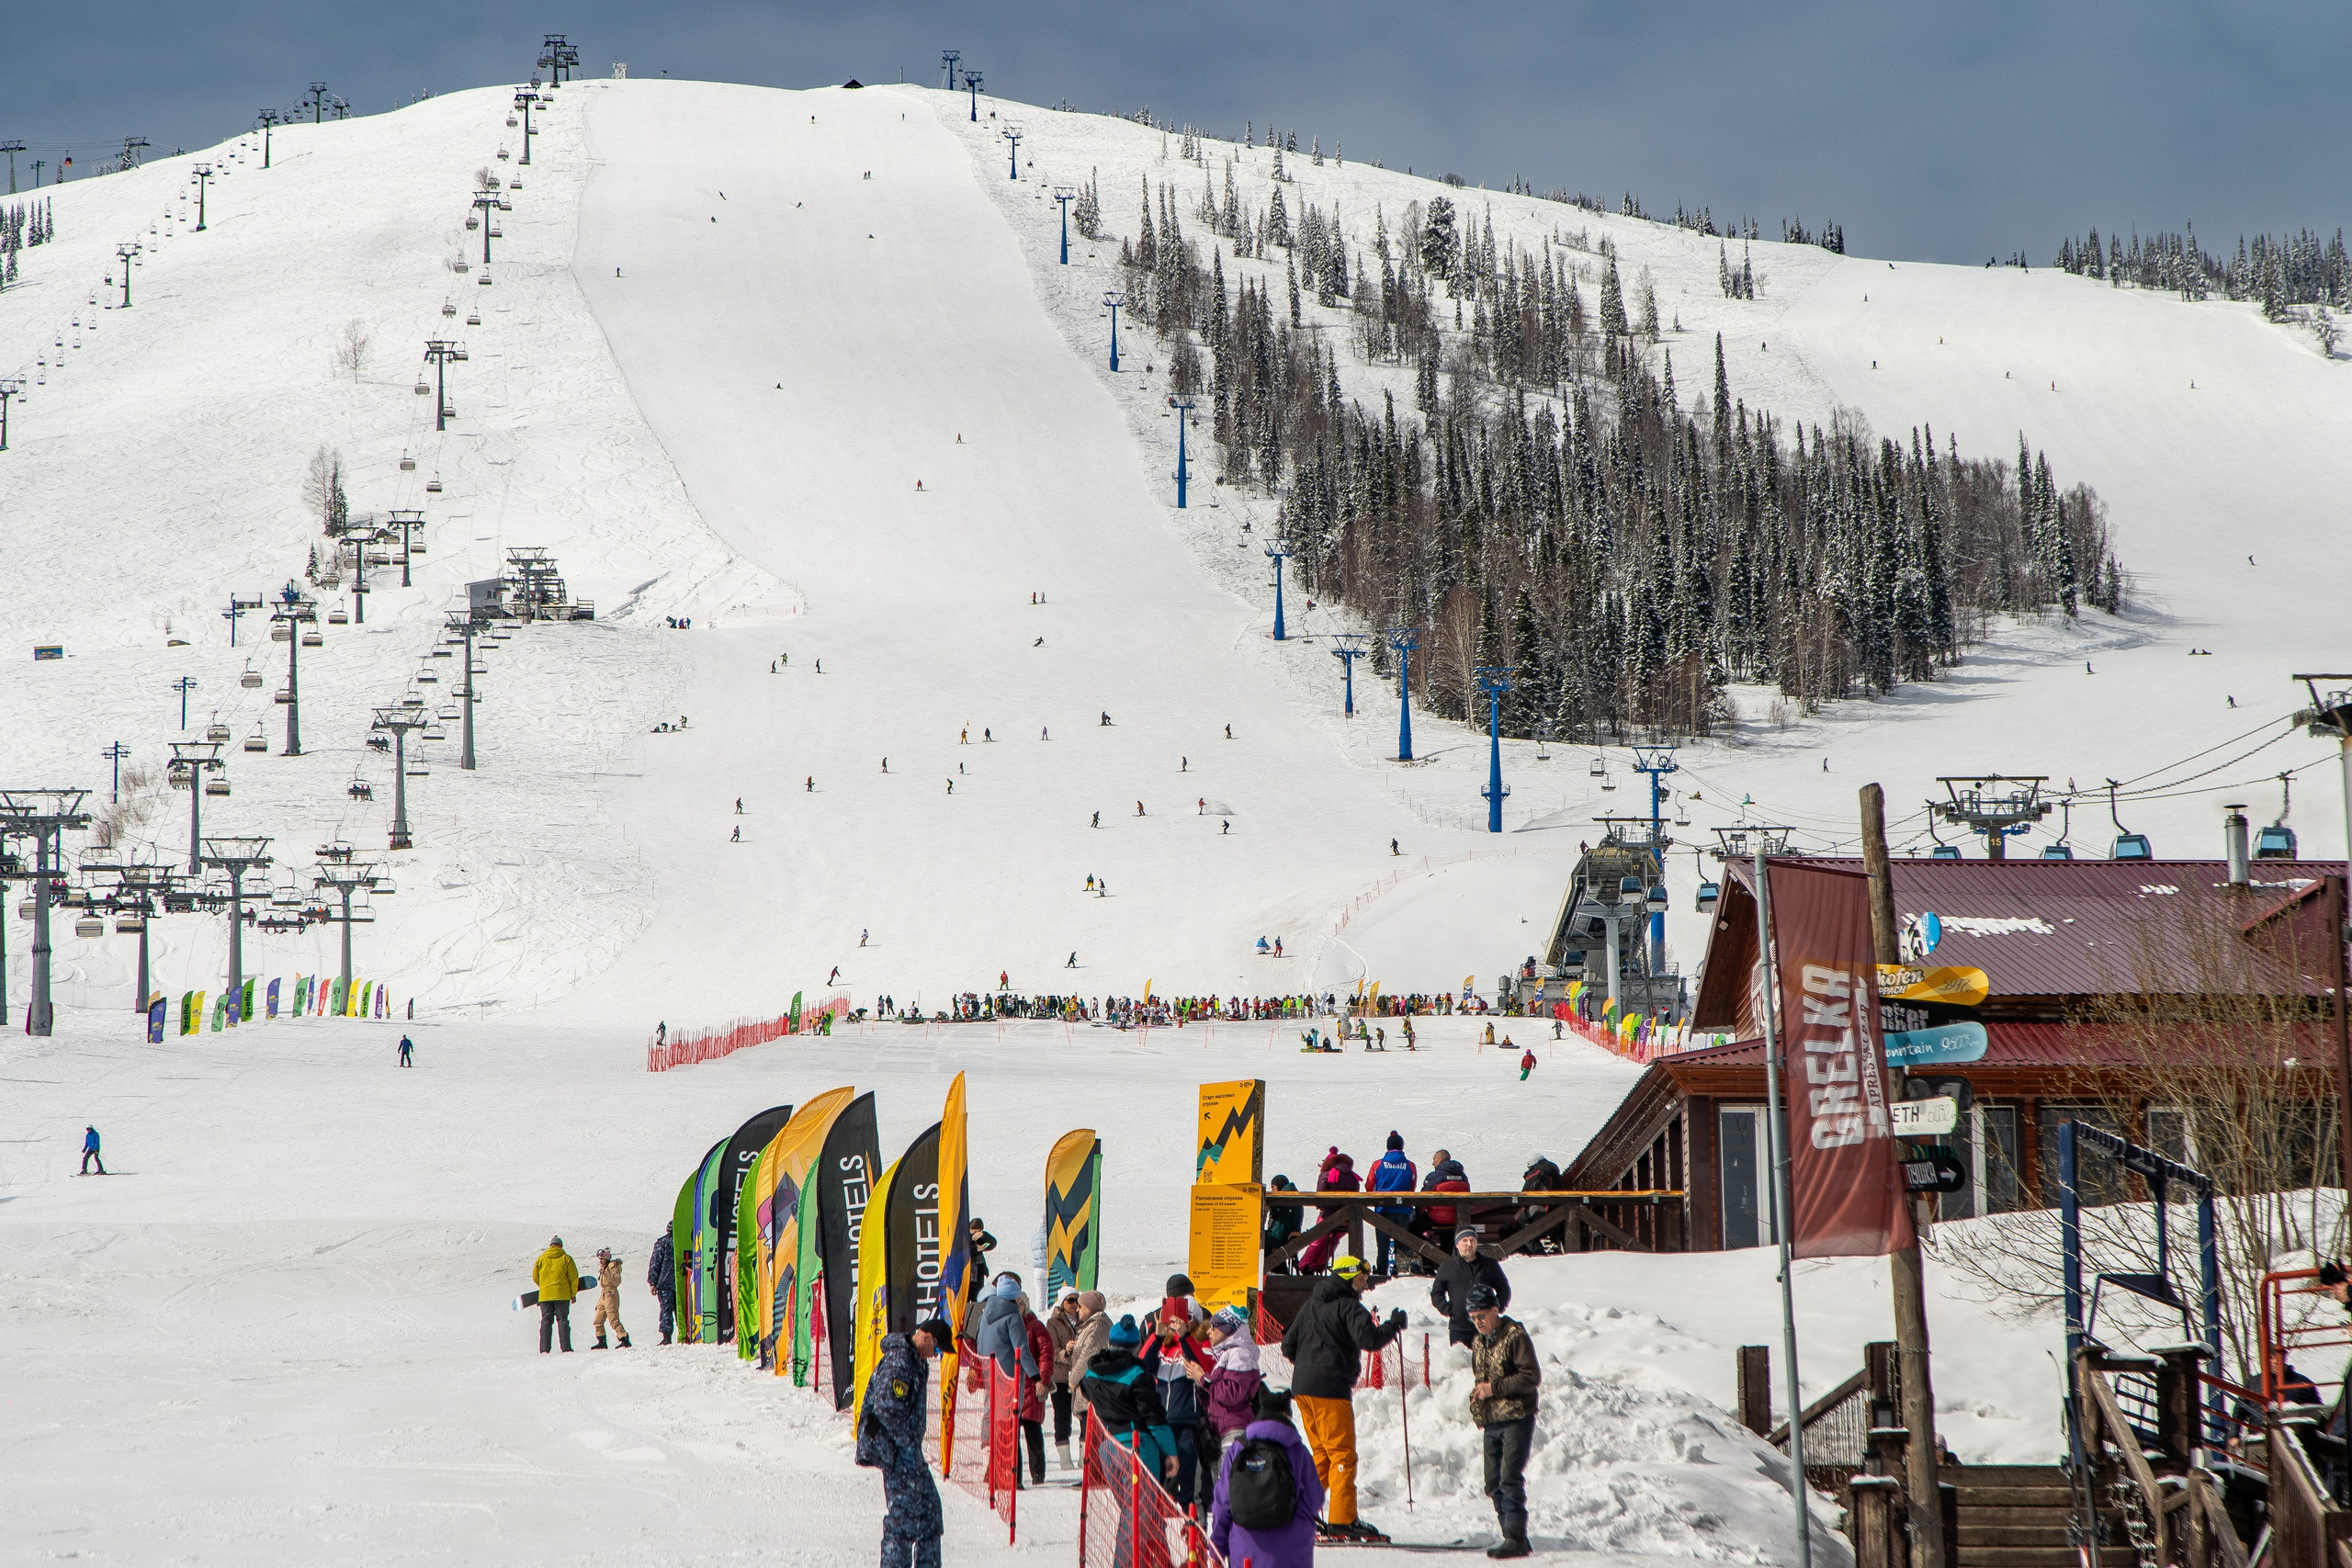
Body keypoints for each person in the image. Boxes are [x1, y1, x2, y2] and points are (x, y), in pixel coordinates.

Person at [1282, 1254, 1406, 1540]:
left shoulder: (1312, 1303)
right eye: (1363, 1276)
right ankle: (1342, 1521)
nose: (1366, 1282)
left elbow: (1288, 1344)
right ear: (1351, 1276)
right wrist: (1394, 1324)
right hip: (1330, 1389)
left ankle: (1301, 1512)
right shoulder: (1350, 1306)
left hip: (1302, 1389)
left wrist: (1308, 1364)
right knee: (1342, 1455)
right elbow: (1370, 1340)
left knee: (1323, 1455)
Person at [857, 1316, 951, 1568]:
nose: (936, 1354)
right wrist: (908, 1443)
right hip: (896, 1451)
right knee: (902, 1520)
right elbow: (887, 1408)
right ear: (927, 1337)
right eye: (938, 1348)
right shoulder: (900, 1362)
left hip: (908, 1451)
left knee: (930, 1513)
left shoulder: (915, 1360)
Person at [1210, 1389, 1323, 1568]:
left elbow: (1223, 1504)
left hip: (1245, 1553)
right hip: (1292, 1556)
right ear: (1287, 1415)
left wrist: (1217, 1547)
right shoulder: (1298, 1451)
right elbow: (1315, 1500)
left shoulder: (1238, 1449)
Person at [1468, 1285, 1541, 1558]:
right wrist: (1479, 1396)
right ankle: (1508, 1534)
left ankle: (1516, 1537)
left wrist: (1494, 1388)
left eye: (1482, 1316)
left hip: (1516, 1418)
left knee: (1509, 1478)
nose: (1478, 1322)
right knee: (1492, 1482)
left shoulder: (1515, 1336)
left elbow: (1530, 1377)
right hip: (1492, 1421)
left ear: (1496, 1310)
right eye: (1473, 1318)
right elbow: (1481, 1378)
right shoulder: (1478, 1341)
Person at [1079, 1315, 1180, 1487]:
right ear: (1136, 1346)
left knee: (1128, 1510)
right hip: (1138, 1448)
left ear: (1110, 1341)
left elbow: (1085, 1391)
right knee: (1142, 1511)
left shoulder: (1091, 1374)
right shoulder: (1137, 1375)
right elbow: (1154, 1418)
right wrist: (1170, 1451)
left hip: (1109, 1449)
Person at [1193, 1304, 1265, 1467]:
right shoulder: (1226, 1354)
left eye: (1213, 1327)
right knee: (1220, 1487)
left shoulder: (1239, 1354)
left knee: (1229, 1485)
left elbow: (1231, 1394)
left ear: (1227, 1329)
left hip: (1234, 1428)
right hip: (1220, 1428)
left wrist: (1203, 1379)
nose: (1208, 1332)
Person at [1431, 1229, 1512, 1347]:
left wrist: (1497, 1308)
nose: (1469, 1244)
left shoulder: (1490, 1264)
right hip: (1460, 1328)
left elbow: (1504, 1289)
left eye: (1472, 1240)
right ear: (1457, 1244)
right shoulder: (1447, 1267)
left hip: (1488, 1327)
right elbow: (1436, 1294)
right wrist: (1449, 1310)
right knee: (1462, 1364)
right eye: (1465, 1240)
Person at [1297, 1148, 1359, 1274]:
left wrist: (1321, 1206)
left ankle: (1303, 1265)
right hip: (1347, 1218)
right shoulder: (1352, 1175)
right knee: (1333, 1241)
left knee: (1317, 1240)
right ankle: (1317, 1265)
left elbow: (1320, 1195)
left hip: (1327, 1215)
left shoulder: (1326, 1174)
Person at [1366, 1133, 1419, 1276]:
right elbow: (1412, 1187)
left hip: (1382, 1211)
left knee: (1382, 1248)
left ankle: (1382, 1276)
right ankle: (1402, 1275)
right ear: (1402, 1147)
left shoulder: (1377, 1165)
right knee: (1402, 1246)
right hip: (1403, 1210)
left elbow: (1369, 1187)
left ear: (1387, 1146)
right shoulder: (1410, 1165)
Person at [1019, 1292, 1057, 1483]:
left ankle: (1038, 1473)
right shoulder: (1009, 1325)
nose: (1018, 1308)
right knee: (1012, 1435)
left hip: (1032, 1387)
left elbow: (1046, 1354)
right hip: (1014, 1387)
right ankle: (1014, 1473)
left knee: (1033, 1434)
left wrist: (1043, 1379)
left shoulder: (1035, 1326)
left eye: (1020, 1304)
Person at [1047, 1290, 1084, 1470]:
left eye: (1077, 1300)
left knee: (1084, 1415)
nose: (1075, 1304)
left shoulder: (1084, 1319)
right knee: (1062, 1416)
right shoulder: (1052, 1323)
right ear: (1062, 1302)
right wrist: (1066, 1351)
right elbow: (1051, 1350)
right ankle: (1065, 1458)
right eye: (1070, 1300)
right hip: (1061, 1377)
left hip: (1080, 1376)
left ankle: (1084, 1456)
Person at [1067, 1290, 1112, 1430]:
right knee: (1085, 1433)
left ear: (1089, 1307)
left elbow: (1088, 1356)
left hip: (1093, 1390)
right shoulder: (1089, 1325)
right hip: (1087, 1387)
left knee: (1090, 1434)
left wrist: (1073, 1379)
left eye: (1080, 1306)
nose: (1077, 1310)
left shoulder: (1098, 1326)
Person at [534, 1235, 581, 1353]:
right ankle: (566, 1348)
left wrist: (544, 1287)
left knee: (546, 1320)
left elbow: (535, 1277)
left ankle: (544, 1349)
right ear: (561, 1246)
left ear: (550, 1246)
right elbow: (574, 1278)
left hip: (545, 1296)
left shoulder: (541, 1259)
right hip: (562, 1295)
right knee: (562, 1320)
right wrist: (572, 1293)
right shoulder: (566, 1258)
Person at [590, 1246, 633, 1348]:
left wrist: (607, 1274)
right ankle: (602, 1341)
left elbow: (617, 1281)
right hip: (604, 1294)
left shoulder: (612, 1266)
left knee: (613, 1318)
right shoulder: (603, 1268)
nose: (600, 1261)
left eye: (602, 1259)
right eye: (600, 1259)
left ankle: (624, 1338)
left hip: (611, 1293)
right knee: (598, 1320)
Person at [1262, 1174, 1305, 1270]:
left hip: (1281, 1235)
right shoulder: (1293, 1194)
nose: (1272, 1190)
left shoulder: (1284, 1196)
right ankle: (1279, 1270)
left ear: (1277, 1185)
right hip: (1288, 1234)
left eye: (1273, 1187)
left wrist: (1270, 1207)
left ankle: (1273, 1271)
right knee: (1264, 1240)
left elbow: (1275, 1213)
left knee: (1259, 1240)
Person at [648, 1230, 676, 1345]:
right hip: (682, 1282)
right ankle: (686, 1335)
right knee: (683, 1311)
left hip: (665, 1283)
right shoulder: (686, 1240)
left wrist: (652, 1282)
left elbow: (655, 1263)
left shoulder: (662, 1243)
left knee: (666, 1310)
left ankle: (667, 1337)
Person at [965, 1218, 998, 1302]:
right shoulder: (964, 1236)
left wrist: (983, 1235)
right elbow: (963, 1251)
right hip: (966, 1272)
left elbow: (993, 1243)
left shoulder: (980, 1236)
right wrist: (976, 1249)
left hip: (978, 1272)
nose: (975, 1234)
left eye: (978, 1231)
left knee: (978, 1297)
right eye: (973, 1231)